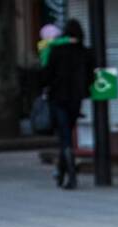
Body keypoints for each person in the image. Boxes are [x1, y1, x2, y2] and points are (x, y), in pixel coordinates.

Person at [41, 19, 94, 190]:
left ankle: (70, 175)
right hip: (75, 99)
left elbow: (47, 74)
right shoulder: (84, 52)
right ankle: (62, 172)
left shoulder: (56, 50)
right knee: (68, 133)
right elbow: (90, 77)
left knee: (64, 137)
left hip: (58, 97)